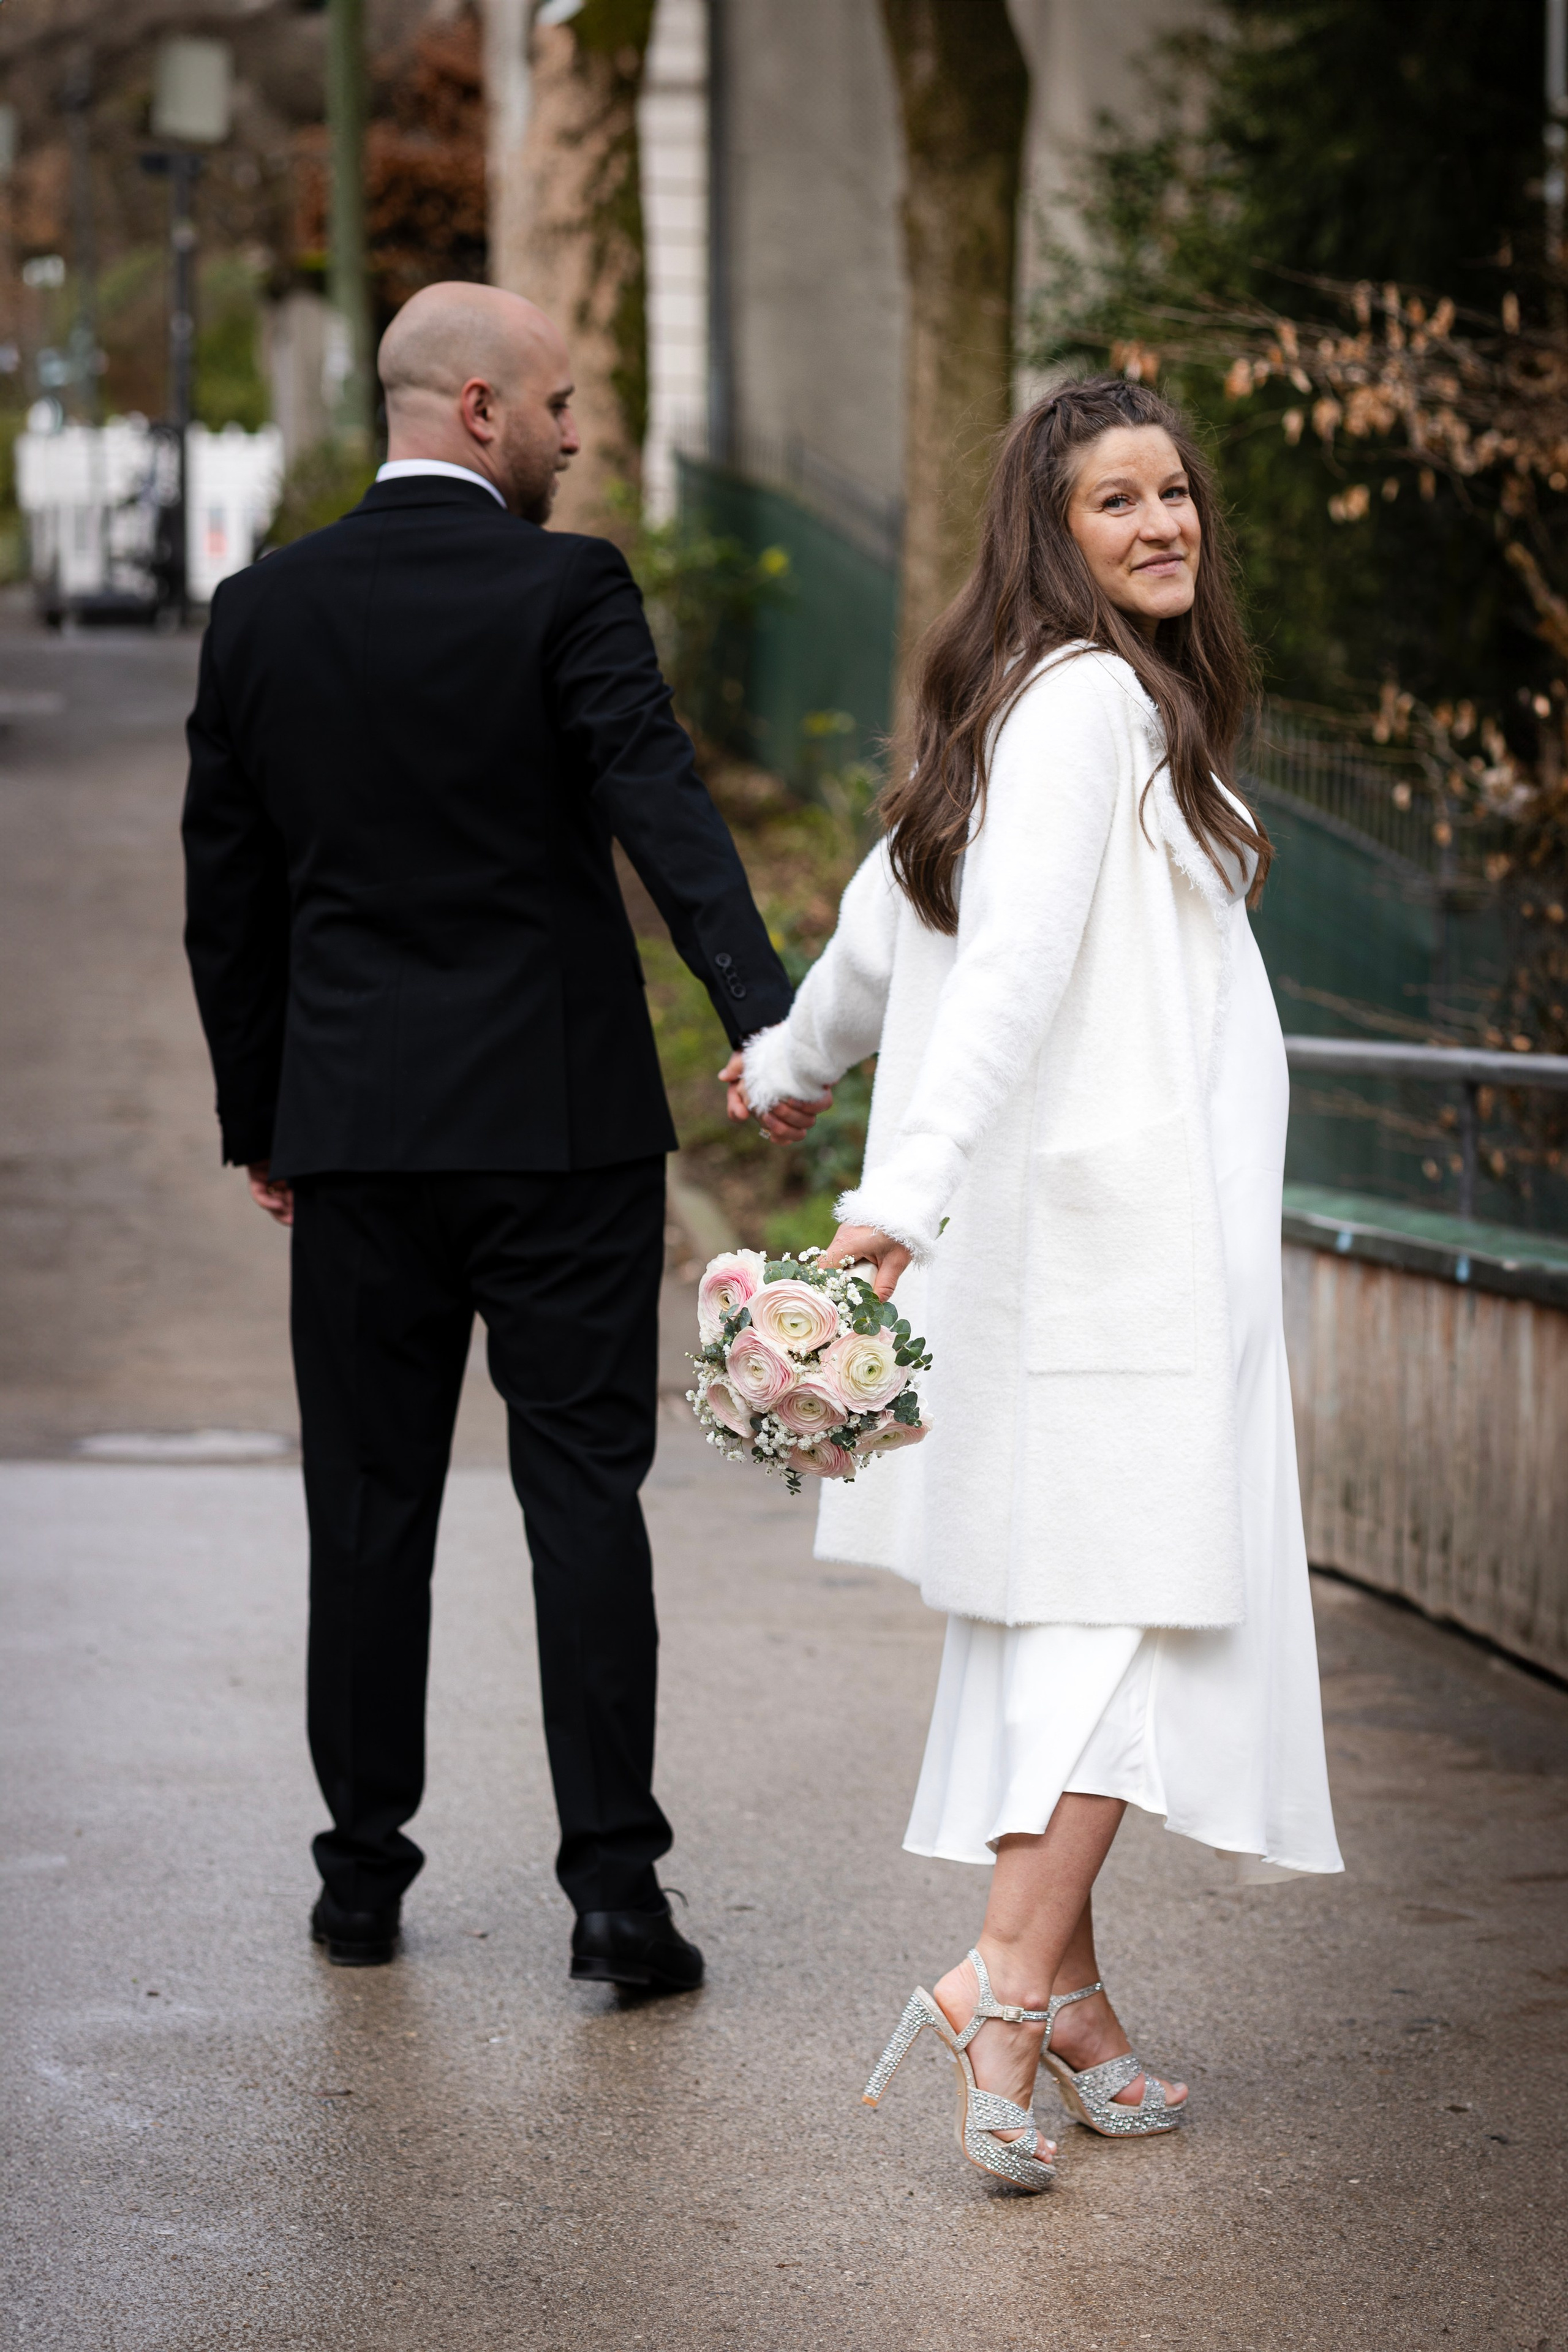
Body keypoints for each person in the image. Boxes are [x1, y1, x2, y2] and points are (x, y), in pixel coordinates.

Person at [726, 377, 1342, 2190]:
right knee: (1129, 1619)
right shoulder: (1087, 710)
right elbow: (1002, 970)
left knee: (1062, 1626)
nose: (1164, 525)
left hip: (1084, 1258)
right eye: (1114, 502)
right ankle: (999, 1985)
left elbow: (876, 927)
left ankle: (1068, 2009)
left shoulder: (1023, 708)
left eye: (1177, 495)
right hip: (1122, 1259)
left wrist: (785, 1063)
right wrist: (895, 1193)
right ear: (1048, 533)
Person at [183, 281, 797, 1987]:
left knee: (368, 1507)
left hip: (360, 1134)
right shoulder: (564, 589)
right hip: (563, 1131)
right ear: (477, 410)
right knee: (583, 1496)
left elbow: (224, 906)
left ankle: (361, 1879)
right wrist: (772, 1021)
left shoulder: (260, 613)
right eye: (560, 404)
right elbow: (657, 802)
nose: (576, 433)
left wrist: (268, 1121)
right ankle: (615, 1895)